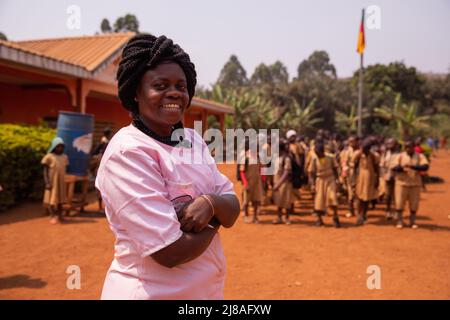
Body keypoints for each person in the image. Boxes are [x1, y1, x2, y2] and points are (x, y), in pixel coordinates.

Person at [95, 34, 240, 299]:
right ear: (136, 92)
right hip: (152, 292)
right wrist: (216, 216)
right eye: (160, 85)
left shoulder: (192, 140)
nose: (174, 92)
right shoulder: (129, 153)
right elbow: (170, 251)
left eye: (181, 86)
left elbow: (232, 205)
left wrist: (210, 204)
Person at [392, 140, 429, 229]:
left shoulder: (420, 156)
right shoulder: (400, 156)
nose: (409, 149)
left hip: (415, 183)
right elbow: (394, 167)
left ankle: (412, 221)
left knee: (414, 204)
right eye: (407, 147)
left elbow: (425, 166)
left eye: (410, 147)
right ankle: (400, 221)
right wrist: (402, 168)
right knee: (399, 202)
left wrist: (412, 167)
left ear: (414, 147)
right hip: (402, 183)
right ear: (404, 148)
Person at [308, 143, 340, 228]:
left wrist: (337, 180)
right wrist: (312, 184)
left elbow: (335, 168)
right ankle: (319, 219)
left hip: (330, 179)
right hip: (320, 180)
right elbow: (311, 172)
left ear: (322, 151)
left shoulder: (330, 157)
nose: (317, 154)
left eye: (318, 152)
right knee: (319, 200)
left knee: (333, 198)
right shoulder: (314, 159)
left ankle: (335, 217)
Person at [351, 138, 380, 226]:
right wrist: (353, 179)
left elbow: (376, 168)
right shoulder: (357, 154)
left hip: (370, 177)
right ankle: (359, 215)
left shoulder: (374, 155)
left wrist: (377, 179)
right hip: (360, 177)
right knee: (359, 197)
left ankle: (363, 214)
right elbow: (354, 167)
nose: (363, 150)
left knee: (367, 197)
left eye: (365, 148)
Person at [41, 137, 69, 224]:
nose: (60, 148)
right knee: (52, 200)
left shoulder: (65, 157)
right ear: (54, 147)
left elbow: (65, 168)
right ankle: (53, 215)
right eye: (58, 146)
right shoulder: (49, 157)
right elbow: (45, 171)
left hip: (61, 182)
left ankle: (60, 215)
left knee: (60, 200)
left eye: (61, 147)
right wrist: (47, 182)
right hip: (53, 182)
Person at [239, 139, 263, 223]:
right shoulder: (245, 158)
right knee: (246, 200)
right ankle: (245, 215)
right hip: (248, 183)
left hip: (257, 183)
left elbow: (260, 168)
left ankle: (255, 217)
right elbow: (242, 172)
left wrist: (262, 179)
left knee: (256, 200)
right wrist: (245, 183)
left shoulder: (258, 157)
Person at [272, 139, 294, 224]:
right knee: (279, 200)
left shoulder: (286, 158)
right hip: (277, 181)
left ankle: (287, 218)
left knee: (286, 201)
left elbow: (287, 172)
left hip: (285, 183)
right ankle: (279, 217)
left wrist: (279, 183)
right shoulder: (276, 157)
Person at [90, 127, 113, 210]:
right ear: (107, 134)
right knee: (101, 186)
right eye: (110, 134)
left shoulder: (109, 142)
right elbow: (93, 153)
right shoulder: (102, 143)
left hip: (109, 167)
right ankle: (100, 206)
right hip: (102, 167)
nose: (111, 135)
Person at [379, 138, 399, 220]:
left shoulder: (400, 154)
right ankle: (388, 211)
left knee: (397, 196)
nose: (389, 145)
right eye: (388, 144)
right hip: (387, 178)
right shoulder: (385, 154)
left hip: (397, 178)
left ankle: (397, 212)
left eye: (391, 144)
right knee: (387, 196)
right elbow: (381, 165)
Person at [340, 135, 359, 218]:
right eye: (349, 141)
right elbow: (344, 163)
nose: (351, 143)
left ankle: (359, 211)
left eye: (352, 141)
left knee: (358, 194)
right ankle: (351, 211)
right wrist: (344, 173)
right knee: (350, 193)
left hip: (359, 174)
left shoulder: (360, 151)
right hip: (350, 174)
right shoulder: (347, 151)